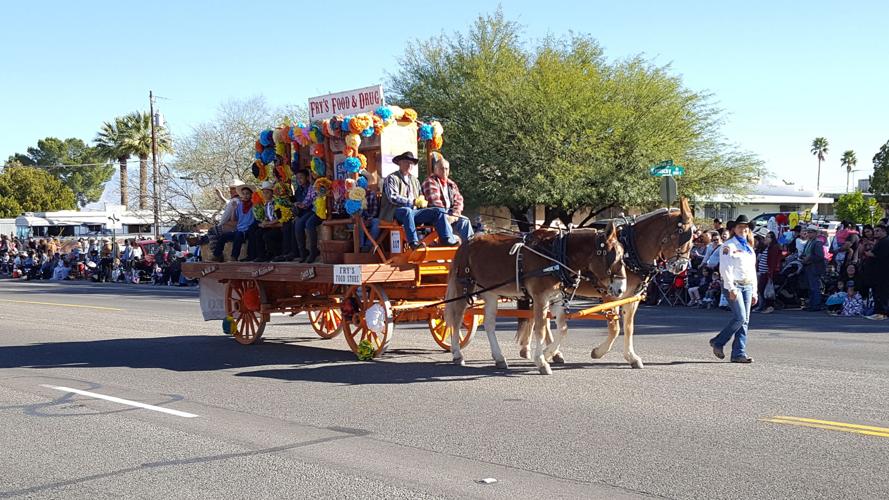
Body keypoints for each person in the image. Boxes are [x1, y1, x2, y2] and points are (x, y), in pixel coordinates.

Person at [380, 151, 457, 250]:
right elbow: (393, 197)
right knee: (407, 211)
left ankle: (446, 239)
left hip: (413, 212)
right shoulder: (391, 178)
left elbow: (421, 196)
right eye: (406, 162)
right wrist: (413, 202)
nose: (409, 165)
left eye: (411, 163)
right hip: (394, 212)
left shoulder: (415, 180)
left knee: (439, 211)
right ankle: (414, 243)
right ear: (399, 163)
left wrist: (422, 201)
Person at [709, 215, 757, 363]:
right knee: (740, 317)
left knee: (745, 320)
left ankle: (738, 353)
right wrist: (731, 288)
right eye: (740, 227)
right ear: (734, 229)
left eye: (746, 227)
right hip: (734, 284)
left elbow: (751, 270)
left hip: (747, 284)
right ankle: (718, 341)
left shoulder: (748, 248)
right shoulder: (728, 246)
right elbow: (725, 269)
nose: (744, 229)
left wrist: (754, 291)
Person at [421, 152, 473, 243]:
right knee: (443, 218)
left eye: (446, 169)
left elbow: (459, 200)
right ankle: (450, 242)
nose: (444, 171)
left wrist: (455, 214)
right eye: (442, 168)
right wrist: (448, 216)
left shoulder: (451, 184)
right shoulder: (430, 181)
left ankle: (471, 248)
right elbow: (435, 202)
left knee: (465, 221)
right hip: (435, 215)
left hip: (450, 214)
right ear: (435, 169)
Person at [212, 186, 256, 262]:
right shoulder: (239, 205)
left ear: (251, 195)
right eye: (243, 194)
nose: (245, 196)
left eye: (247, 194)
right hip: (240, 229)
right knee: (223, 236)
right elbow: (233, 219)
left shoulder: (254, 205)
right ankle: (217, 255)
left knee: (238, 235)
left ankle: (234, 257)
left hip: (248, 230)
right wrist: (233, 209)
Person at [253, 181, 283, 262]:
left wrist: (269, 223)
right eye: (264, 193)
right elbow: (267, 217)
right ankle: (261, 255)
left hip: (278, 226)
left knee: (267, 236)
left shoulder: (276, 203)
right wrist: (263, 223)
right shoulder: (266, 204)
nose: (265, 195)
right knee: (258, 233)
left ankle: (276, 254)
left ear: (272, 193)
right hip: (270, 226)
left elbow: (280, 218)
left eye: (267, 193)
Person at [865, 224, 889, 320]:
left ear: (884, 231)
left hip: (882, 273)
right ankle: (879, 312)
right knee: (877, 293)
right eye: (875, 230)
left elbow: (879, 255)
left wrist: (870, 253)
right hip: (877, 273)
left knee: (881, 293)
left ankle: (881, 313)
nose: (876, 232)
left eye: (878, 230)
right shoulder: (880, 242)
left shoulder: (885, 242)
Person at [755, 231, 782, 314]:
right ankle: (762, 305)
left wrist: (770, 273)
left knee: (767, 290)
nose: (766, 239)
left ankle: (769, 306)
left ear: (772, 239)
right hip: (763, 272)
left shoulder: (774, 247)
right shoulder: (767, 247)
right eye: (766, 237)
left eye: (768, 237)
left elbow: (773, 261)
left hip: (768, 272)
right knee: (761, 289)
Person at [801, 225, 826, 311]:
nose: (808, 234)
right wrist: (803, 257)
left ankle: (816, 305)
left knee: (814, 287)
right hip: (808, 266)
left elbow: (820, 256)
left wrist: (809, 258)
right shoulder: (809, 242)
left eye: (811, 232)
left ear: (816, 233)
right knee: (810, 287)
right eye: (808, 232)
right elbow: (805, 252)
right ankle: (811, 304)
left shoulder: (817, 243)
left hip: (814, 268)